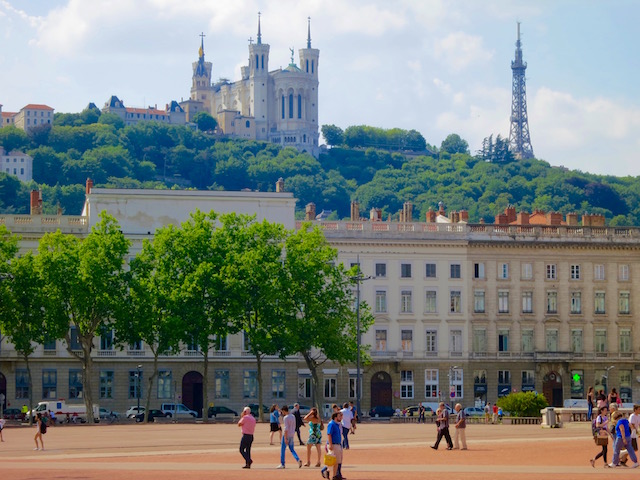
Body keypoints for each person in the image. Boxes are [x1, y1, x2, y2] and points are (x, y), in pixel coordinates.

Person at [276, 405, 302, 469]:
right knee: (292, 449)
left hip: (287, 435)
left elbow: (286, 428)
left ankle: (282, 464)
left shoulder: (286, 418)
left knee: (283, 450)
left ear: (284, 411)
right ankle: (298, 459)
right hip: (292, 434)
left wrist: (285, 437)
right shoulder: (293, 416)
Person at [321, 410, 344, 480]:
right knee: (331, 461)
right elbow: (329, 434)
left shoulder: (338, 424)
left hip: (338, 444)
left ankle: (334, 476)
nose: (341, 417)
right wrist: (330, 444)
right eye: (340, 416)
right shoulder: (331, 424)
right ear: (335, 417)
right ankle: (325, 470)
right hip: (333, 444)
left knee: (337, 462)